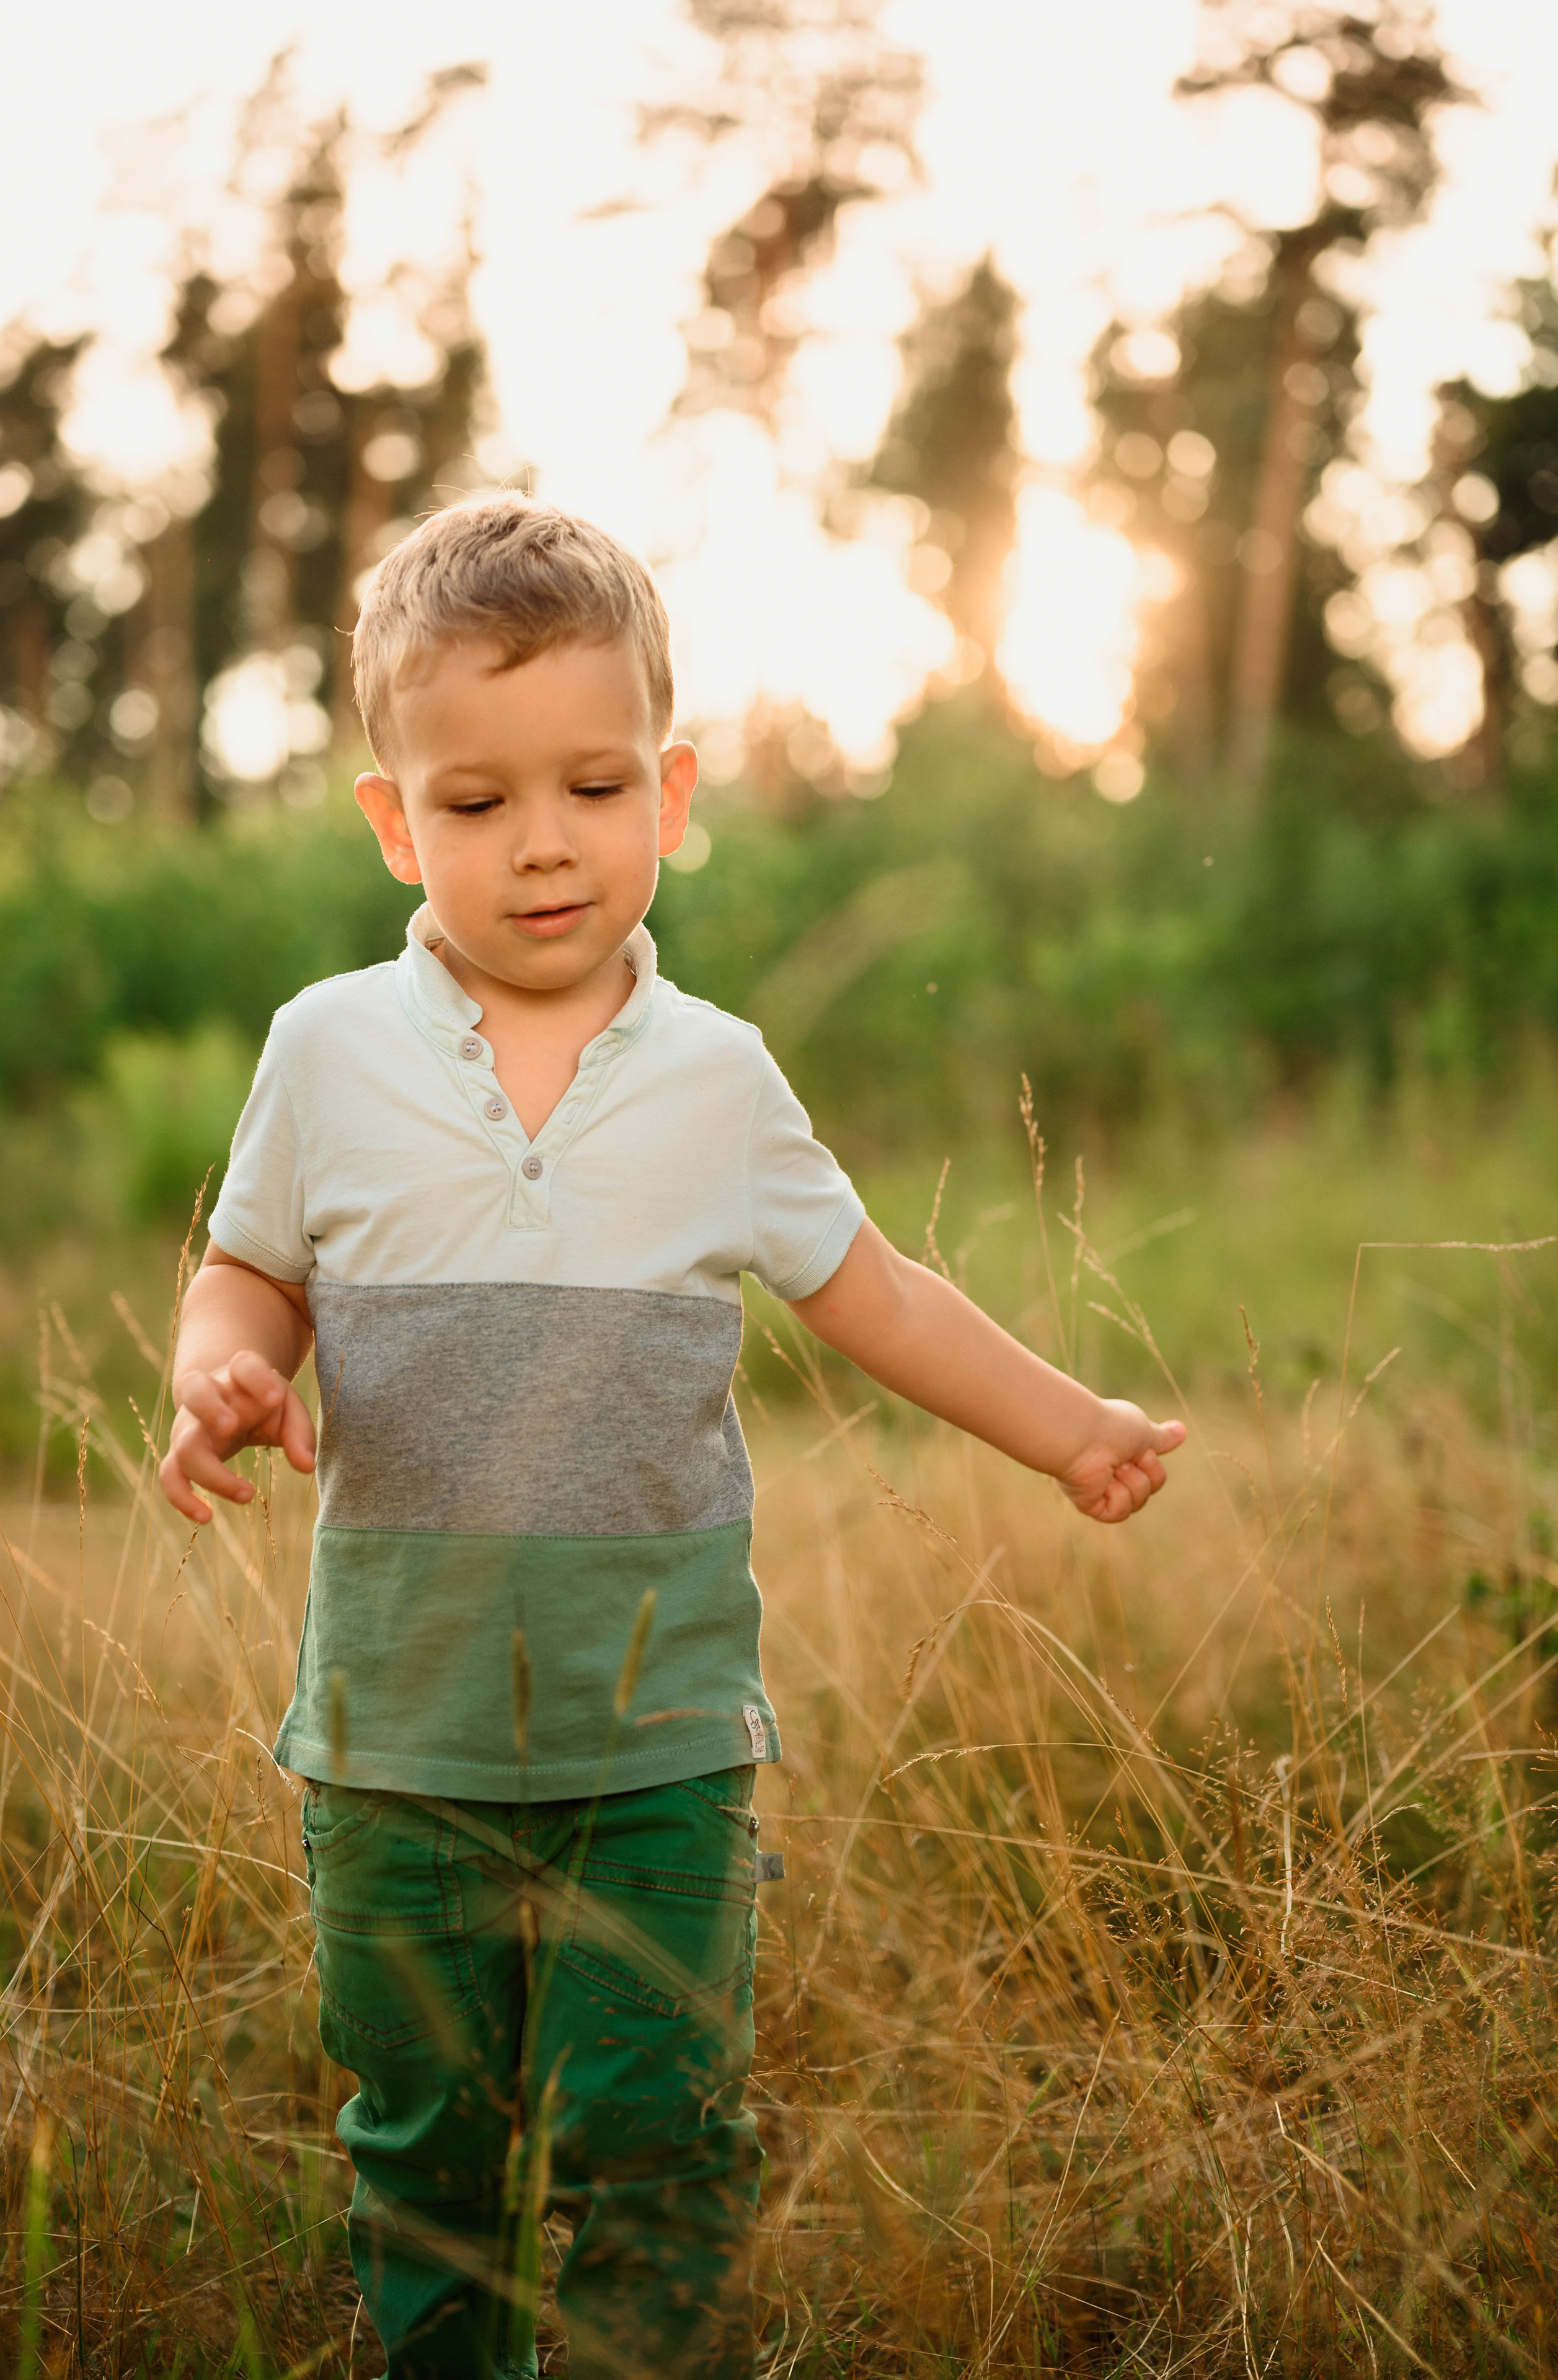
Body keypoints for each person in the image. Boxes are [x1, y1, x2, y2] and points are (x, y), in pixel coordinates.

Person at [159, 493, 1184, 2380]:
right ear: (396, 820)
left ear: (673, 793)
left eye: (594, 787)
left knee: (655, 2140)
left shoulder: (719, 1077)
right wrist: (218, 1371)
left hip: (659, 1751)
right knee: (427, 2153)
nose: (543, 845)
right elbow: (247, 1273)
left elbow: (874, 1289)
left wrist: (1073, 1427)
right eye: (475, 805)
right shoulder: (326, 1050)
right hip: (399, 1748)